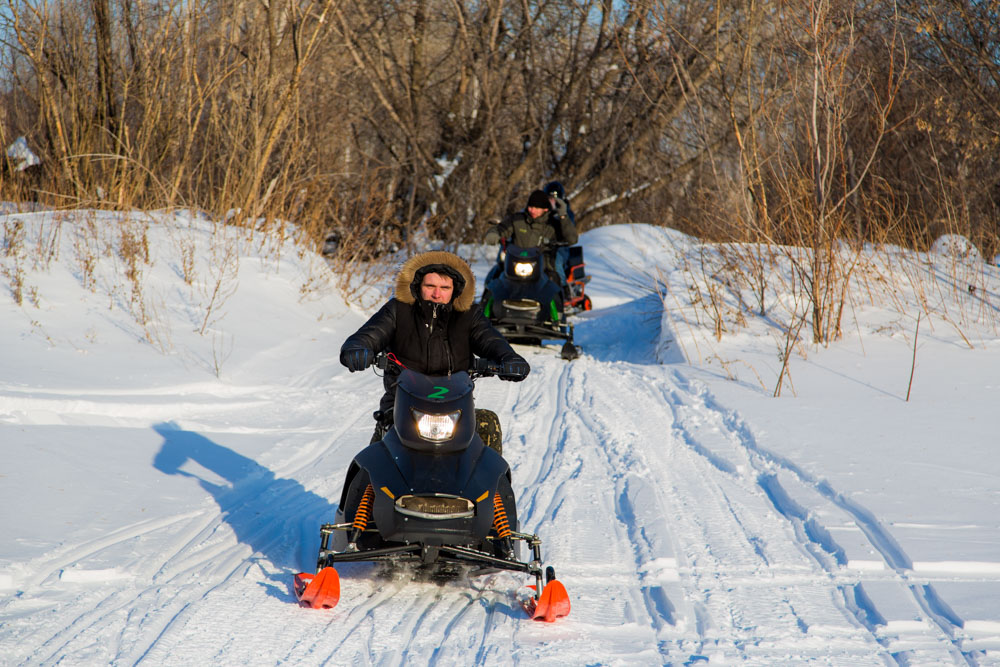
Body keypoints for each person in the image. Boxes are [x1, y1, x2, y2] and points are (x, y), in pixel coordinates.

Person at [340, 250, 530, 444]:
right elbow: (367, 336)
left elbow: (491, 340)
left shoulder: (469, 315)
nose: (437, 294)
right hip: (401, 405)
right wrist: (357, 349)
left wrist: (509, 358)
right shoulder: (398, 310)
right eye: (430, 286)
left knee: (487, 428)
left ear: (455, 290)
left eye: (445, 287)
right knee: (373, 461)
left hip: (455, 407)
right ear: (417, 286)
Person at [484, 189, 579, 285]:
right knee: (495, 277)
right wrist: (494, 234)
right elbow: (502, 228)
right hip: (515, 263)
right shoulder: (518, 220)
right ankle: (486, 298)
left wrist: (563, 216)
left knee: (555, 280)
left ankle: (563, 294)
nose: (532, 210)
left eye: (537, 208)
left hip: (543, 267)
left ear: (545, 209)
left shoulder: (553, 225)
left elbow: (571, 239)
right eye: (531, 206)